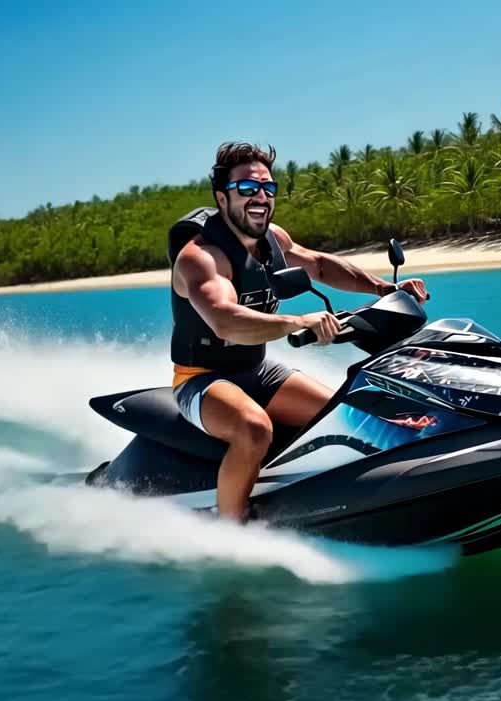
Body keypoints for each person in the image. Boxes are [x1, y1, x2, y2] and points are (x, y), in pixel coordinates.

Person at [169, 142, 429, 522]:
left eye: (267, 188)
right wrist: (300, 321)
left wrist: (383, 289)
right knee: (254, 429)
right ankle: (231, 527)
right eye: (247, 189)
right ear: (222, 198)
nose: (260, 196)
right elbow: (225, 320)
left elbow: (320, 267)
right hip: (201, 379)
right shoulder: (202, 257)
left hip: (257, 371)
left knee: (347, 412)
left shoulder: (274, 239)